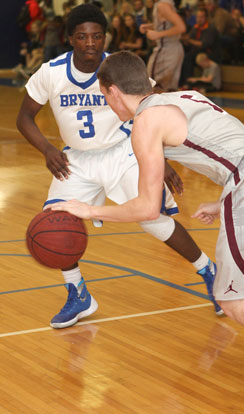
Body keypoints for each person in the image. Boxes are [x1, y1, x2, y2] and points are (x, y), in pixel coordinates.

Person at [51, 50, 244, 413]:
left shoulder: (145, 123)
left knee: (232, 300)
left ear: (113, 91)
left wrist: (88, 208)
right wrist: (228, 198)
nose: (109, 104)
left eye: (105, 97)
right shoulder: (184, 96)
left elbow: (147, 208)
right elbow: (234, 145)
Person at [16, 4, 223, 330]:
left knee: (153, 220)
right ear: (70, 38)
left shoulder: (120, 68)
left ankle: (208, 271)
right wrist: (46, 149)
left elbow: (153, 108)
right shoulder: (51, 72)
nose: (90, 43)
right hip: (77, 160)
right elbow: (24, 117)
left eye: (96, 36)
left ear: (104, 38)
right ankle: (77, 292)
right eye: (82, 36)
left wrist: (162, 160)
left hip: (125, 151)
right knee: (58, 219)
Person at [139, 0, 186, 91]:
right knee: (168, 89)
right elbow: (167, 25)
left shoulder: (162, 5)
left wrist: (158, 34)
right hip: (174, 49)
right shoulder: (166, 3)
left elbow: (181, 27)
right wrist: (150, 26)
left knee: (151, 85)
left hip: (166, 50)